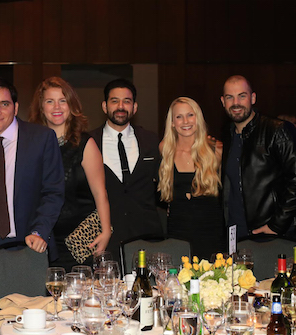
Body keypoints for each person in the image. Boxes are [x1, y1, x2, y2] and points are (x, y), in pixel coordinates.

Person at [0, 78, 64, 260]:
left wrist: (39, 231)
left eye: (4, 104)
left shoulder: (41, 139)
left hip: (30, 246)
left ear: (15, 108)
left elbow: (53, 192)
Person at [29, 77, 112, 271]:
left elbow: (101, 193)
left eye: (62, 100)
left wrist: (106, 231)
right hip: (43, 240)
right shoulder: (32, 145)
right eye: (50, 101)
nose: (56, 107)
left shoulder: (85, 144)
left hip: (80, 242)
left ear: (71, 105)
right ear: (41, 107)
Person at [88, 79, 163, 264]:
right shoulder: (89, 142)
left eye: (126, 101)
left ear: (135, 107)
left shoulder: (152, 140)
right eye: (114, 101)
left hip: (147, 239)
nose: (121, 106)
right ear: (105, 106)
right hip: (105, 241)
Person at [221, 75, 296, 239]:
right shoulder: (227, 135)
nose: (236, 103)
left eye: (242, 96)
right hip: (236, 235)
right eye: (230, 97)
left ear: (253, 98)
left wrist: (277, 224)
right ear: (223, 102)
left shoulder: (277, 130)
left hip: (272, 235)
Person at [158, 97, 225, 259]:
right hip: (177, 230)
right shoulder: (164, 149)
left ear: (198, 118)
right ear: (172, 122)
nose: (185, 121)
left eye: (190, 115)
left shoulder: (216, 149)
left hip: (211, 232)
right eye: (179, 117)